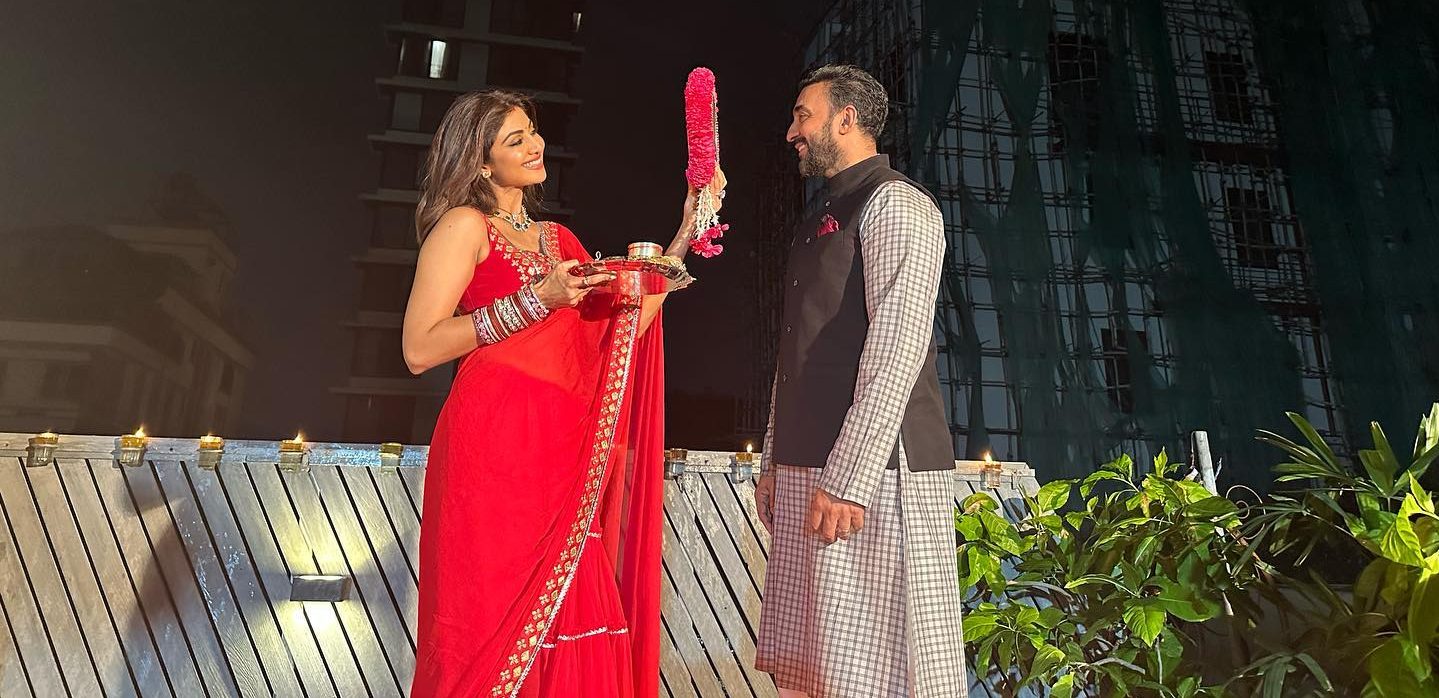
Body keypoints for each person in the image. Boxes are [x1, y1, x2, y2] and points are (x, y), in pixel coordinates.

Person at [402, 89, 721, 698]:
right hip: (494, 448)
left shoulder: (559, 241)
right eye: (514, 139)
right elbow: (420, 347)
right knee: (491, 619)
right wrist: (536, 301)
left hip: (563, 449)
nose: (534, 145)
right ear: (479, 160)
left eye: (533, 132)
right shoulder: (465, 227)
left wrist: (689, 230)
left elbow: (619, 333)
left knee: (575, 607)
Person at [753, 64, 968, 698]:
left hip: (877, 475)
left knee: (888, 673)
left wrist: (849, 480)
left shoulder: (897, 204)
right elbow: (798, 350)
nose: (792, 131)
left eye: (803, 115)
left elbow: (897, 349)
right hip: (808, 466)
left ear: (846, 120)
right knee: (820, 670)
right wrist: (773, 460)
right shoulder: (823, 213)